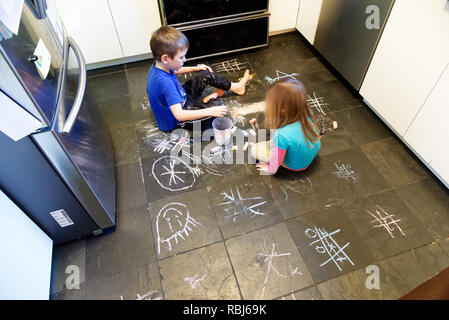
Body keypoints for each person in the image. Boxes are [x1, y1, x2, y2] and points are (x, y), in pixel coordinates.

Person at [147, 26, 250, 133]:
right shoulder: (165, 84)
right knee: (220, 108)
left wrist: (196, 68)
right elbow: (180, 115)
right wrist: (210, 111)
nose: (185, 59)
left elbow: (175, 70)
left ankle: (237, 88)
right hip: (176, 121)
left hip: (181, 98)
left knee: (205, 74)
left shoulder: (159, 65)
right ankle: (214, 97)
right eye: (181, 57)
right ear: (165, 58)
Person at [250, 79, 321, 174]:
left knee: (254, 150)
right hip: (310, 154)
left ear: (282, 110)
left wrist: (270, 169)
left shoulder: (281, 135)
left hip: (296, 165)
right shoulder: (306, 115)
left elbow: (276, 160)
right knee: (279, 140)